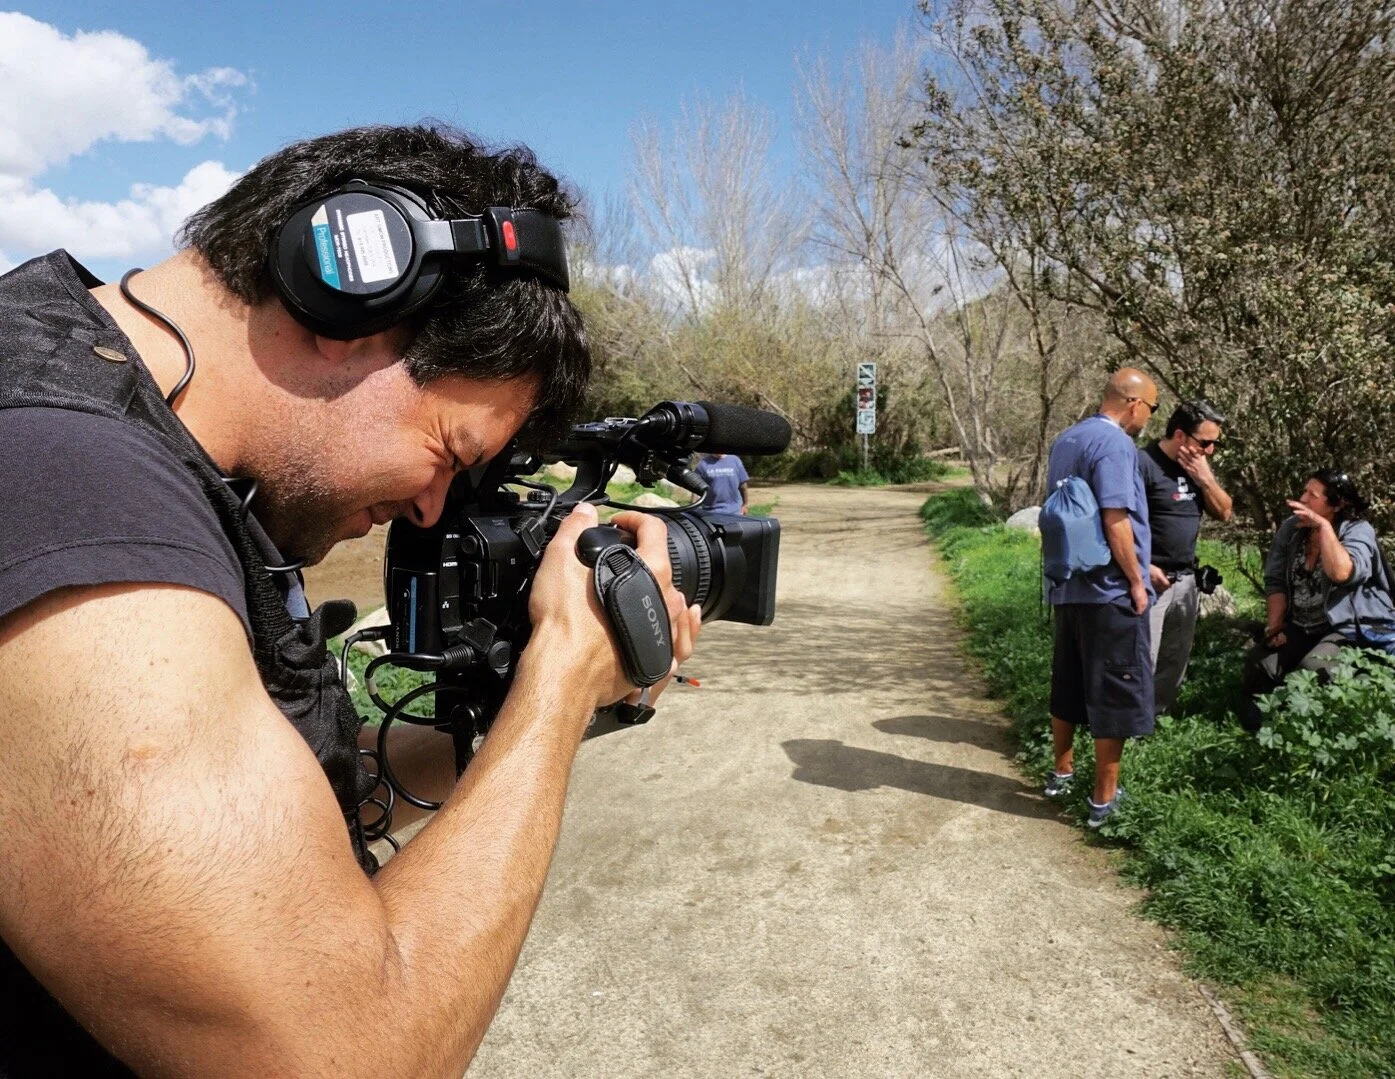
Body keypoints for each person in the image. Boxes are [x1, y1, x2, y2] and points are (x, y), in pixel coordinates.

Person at [0, 124, 701, 1076]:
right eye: (448, 453)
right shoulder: (70, 486)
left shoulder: (128, 438)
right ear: (352, 302)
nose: (430, 505)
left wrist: (559, 711)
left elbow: (279, 830)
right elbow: (343, 1053)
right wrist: (559, 676)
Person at [1043, 368, 1159, 827]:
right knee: (1115, 689)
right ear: (1134, 403)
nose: (1149, 418)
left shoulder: (1067, 439)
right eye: (1151, 408)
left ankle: (1061, 772)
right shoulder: (1116, 444)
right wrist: (1136, 581)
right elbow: (1115, 518)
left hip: (1068, 583)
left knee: (1068, 681)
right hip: (1107, 590)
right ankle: (1103, 801)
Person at [1240, 470, 1395, 730]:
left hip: (1347, 626)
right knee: (1260, 664)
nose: (1302, 499)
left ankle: (1315, 731)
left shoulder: (1358, 530)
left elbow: (1343, 573)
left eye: (1312, 495)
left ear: (1336, 504)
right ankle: (1260, 733)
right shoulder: (1292, 529)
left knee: (1313, 669)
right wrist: (1274, 626)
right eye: (1304, 491)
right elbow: (1275, 580)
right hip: (1302, 623)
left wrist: (1324, 528)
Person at [1139, 400, 1234, 714]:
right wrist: (1141, 566)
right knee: (1142, 657)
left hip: (1186, 580)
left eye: (1215, 444)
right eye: (1204, 443)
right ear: (1180, 435)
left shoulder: (1198, 468)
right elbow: (1115, 523)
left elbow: (1224, 512)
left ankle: (1156, 718)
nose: (1210, 450)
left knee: (1174, 659)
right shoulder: (1143, 464)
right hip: (1149, 578)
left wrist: (1206, 479)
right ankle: (1126, 724)